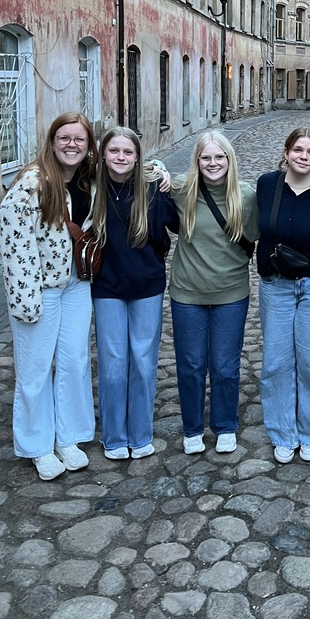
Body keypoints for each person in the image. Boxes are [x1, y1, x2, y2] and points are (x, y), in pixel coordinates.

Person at [0, 111, 98, 481]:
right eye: (65, 138)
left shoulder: (88, 179)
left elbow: (132, 165)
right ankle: (38, 444)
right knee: (35, 369)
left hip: (77, 285)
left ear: (89, 146)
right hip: (39, 289)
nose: (72, 145)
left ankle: (68, 435)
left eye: (80, 139)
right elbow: (14, 241)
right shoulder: (32, 182)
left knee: (74, 362)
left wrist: (159, 171)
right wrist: (26, 300)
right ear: (52, 141)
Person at [91, 127, 178, 461]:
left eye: (128, 152)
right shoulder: (92, 188)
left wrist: (165, 174)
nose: (121, 158)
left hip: (146, 286)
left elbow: (178, 223)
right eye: (114, 151)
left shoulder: (153, 188)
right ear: (103, 154)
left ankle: (141, 434)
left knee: (143, 362)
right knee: (113, 364)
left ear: (138, 156)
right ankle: (114, 436)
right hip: (107, 286)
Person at [170, 131, 258, 455]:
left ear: (229, 159)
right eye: (206, 157)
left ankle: (224, 425)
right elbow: (151, 173)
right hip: (187, 292)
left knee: (224, 365)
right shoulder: (182, 190)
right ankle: (192, 427)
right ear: (196, 160)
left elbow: (264, 231)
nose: (213, 163)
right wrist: (158, 169)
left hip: (231, 294)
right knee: (191, 364)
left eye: (219, 157)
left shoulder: (246, 196)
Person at [256, 127, 310, 464]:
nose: (304, 157)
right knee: (276, 363)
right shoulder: (267, 185)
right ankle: (283, 433)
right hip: (276, 285)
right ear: (286, 151)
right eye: (298, 150)